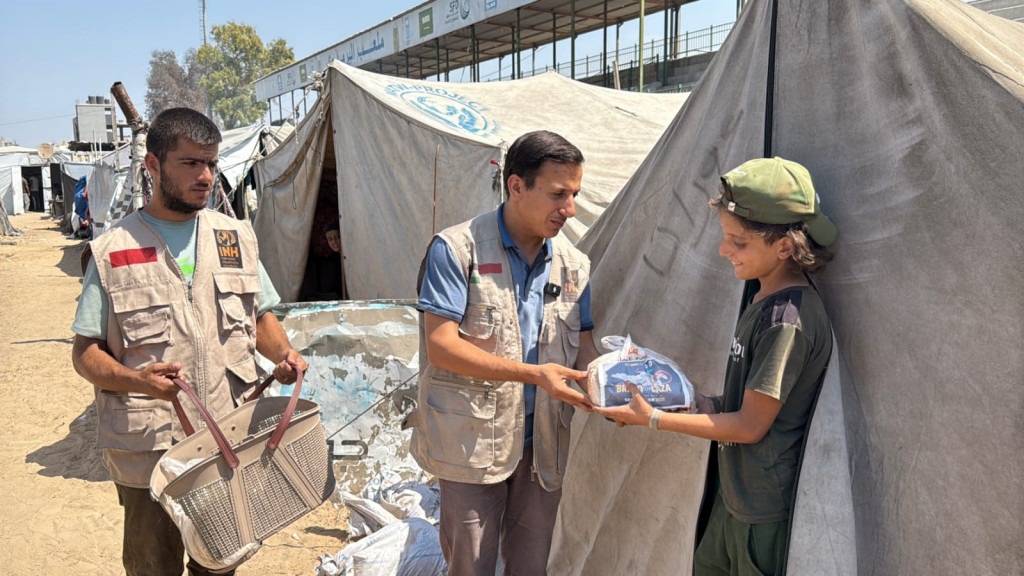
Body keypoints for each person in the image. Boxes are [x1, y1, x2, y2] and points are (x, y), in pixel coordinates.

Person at [70, 108, 308, 576]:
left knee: (220, 564)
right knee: (153, 567)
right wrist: (136, 380)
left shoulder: (234, 238)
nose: (205, 176)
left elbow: (259, 315)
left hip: (227, 436)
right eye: (191, 163)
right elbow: (85, 354)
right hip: (150, 453)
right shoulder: (113, 250)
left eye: (212, 164)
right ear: (153, 166)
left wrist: (283, 354)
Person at [595, 157, 837, 576]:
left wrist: (653, 419)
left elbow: (749, 426)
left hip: (761, 514)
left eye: (738, 242)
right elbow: (744, 403)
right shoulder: (762, 299)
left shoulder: (788, 319)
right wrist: (687, 400)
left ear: (783, 247)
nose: (724, 250)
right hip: (733, 497)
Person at [406, 130, 600, 576]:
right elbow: (442, 347)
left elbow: (584, 344)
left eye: (574, 194)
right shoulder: (457, 250)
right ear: (516, 186)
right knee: (471, 565)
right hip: (471, 448)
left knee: (531, 566)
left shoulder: (574, 265)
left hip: (543, 446)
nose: (568, 209)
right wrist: (534, 375)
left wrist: (609, 382)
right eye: (557, 194)